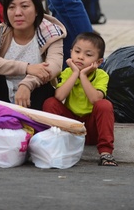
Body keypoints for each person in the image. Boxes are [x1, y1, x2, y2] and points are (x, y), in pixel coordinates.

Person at [0, 0, 66, 134]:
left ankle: (35, 138)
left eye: (24, 6)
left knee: (45, 80)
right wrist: (27, 67)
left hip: (33, 98)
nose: (17, 13)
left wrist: (27, 84)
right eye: (11, 7)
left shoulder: (50, 33)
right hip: (2, 98)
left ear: (36, 10)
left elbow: (54, 67)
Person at [43, 32, 117, 167]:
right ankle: (53, 147)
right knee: (50, 103)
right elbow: (59, 97)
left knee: (104, 105)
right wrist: (75, 73)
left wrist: (82, 75)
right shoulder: (67, 72)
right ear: (71, 52)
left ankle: (106, 153)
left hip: (92, 128)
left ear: (99, 62)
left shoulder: (101, 75)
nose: (81, 57)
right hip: (72, 127)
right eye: (77, 52)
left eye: (88, 55)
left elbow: (95, 99)